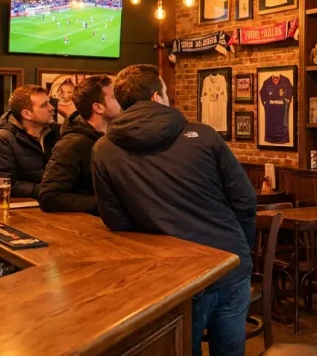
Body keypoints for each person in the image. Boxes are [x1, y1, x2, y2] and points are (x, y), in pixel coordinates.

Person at [92, 65, 255, 356]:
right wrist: (238, 248)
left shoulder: (104, 149)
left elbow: (115, 220)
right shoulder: (203, 135)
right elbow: (244, 200)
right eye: (166, 92)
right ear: (157, 97)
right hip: (228, 261)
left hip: (171, 274)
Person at [39, 76, 121, 214]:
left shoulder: (115, 136)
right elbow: (49, 197)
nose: (121, 100)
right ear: (98, 107)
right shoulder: (72, 144)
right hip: (92, 228)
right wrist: (106, 204)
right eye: (114, 97)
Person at [0, 85, 60, 199]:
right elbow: (7, 184)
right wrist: (50, 190)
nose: (52, 108)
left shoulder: (58, 132)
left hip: (57, 204)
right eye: (44, 105)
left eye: (49, 102)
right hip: (27, 209)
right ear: (27, 114)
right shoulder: (3, 139)